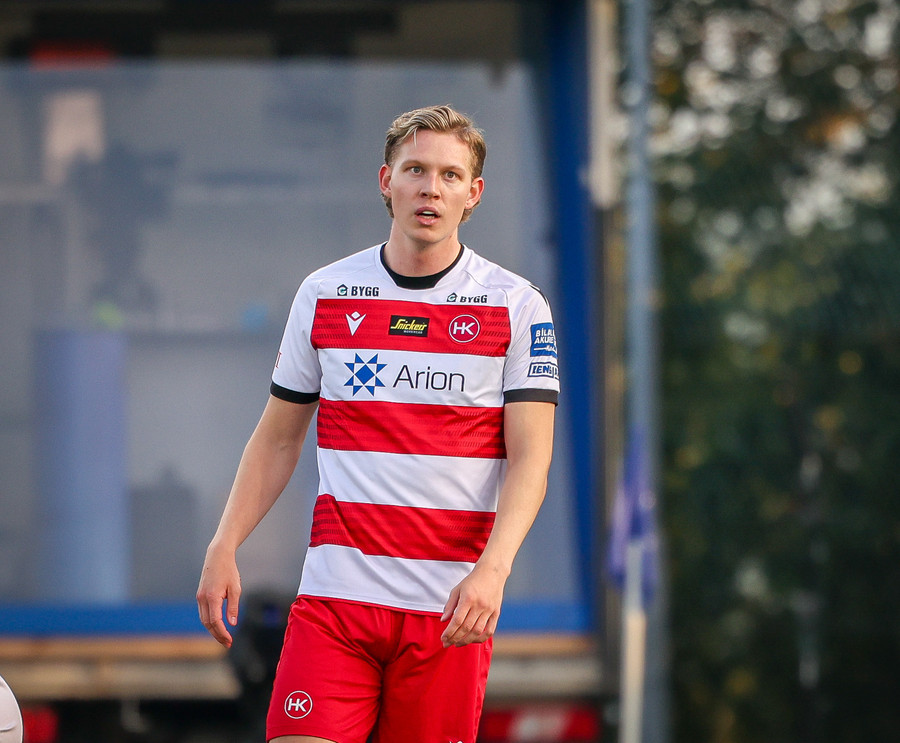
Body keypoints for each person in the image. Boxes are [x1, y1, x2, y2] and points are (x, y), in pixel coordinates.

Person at [197, 104, 560, 743]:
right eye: (415, 170)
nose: (431, 188)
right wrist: (225, 543)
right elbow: (279, 437)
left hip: (447, 611)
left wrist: (494, 570)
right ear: (386, 181)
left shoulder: (516, 306)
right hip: (335, 601)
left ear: (473, 194)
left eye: (450, 175)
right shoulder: (325, 293)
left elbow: (531, 457)